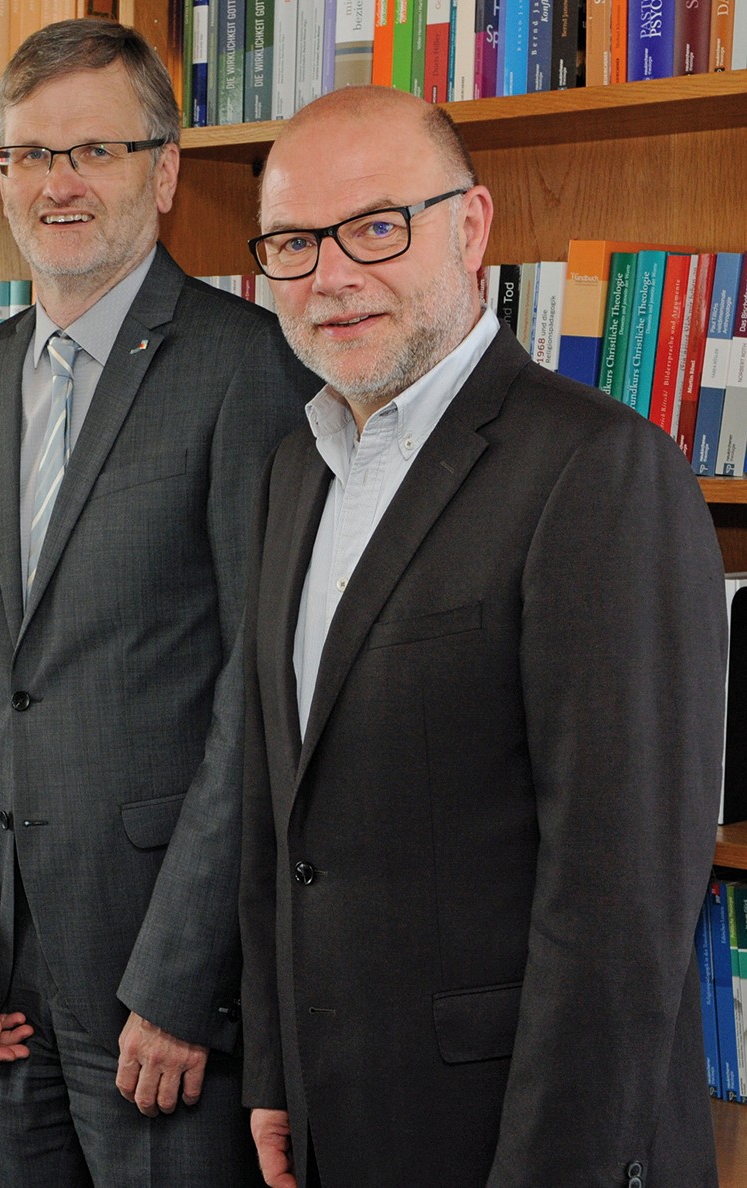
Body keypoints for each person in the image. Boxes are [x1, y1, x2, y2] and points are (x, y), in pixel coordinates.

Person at [239, 85, 723, 1187]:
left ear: (470, 226)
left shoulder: (599, 470)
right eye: (293, 242)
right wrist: (275, 1070)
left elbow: (619, 901)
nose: (330, 275)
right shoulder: (294, 469)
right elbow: (280, 811)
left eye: (375, 226)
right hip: (337, 1112)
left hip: (517, 1133)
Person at [0, 18, 315, 1187]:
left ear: (164, 170)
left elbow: (256, 695)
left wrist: (183, 978)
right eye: (30, 155)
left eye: (94, 150)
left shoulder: (247, 365)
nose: (59, 183)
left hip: (157, 985)